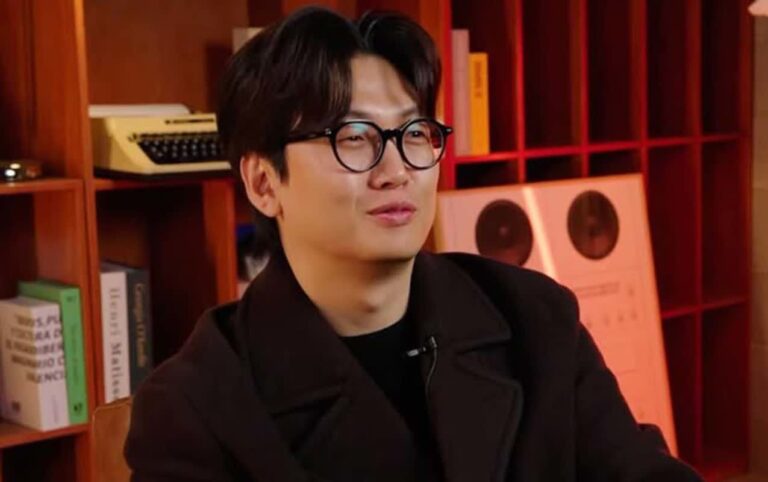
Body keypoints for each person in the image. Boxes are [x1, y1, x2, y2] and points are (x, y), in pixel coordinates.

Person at [124, 6, 702, 481]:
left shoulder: (535, 317)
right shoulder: (195, 408)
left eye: (414, 133)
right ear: (263, 183)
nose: (397, 170)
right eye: (354, 137)